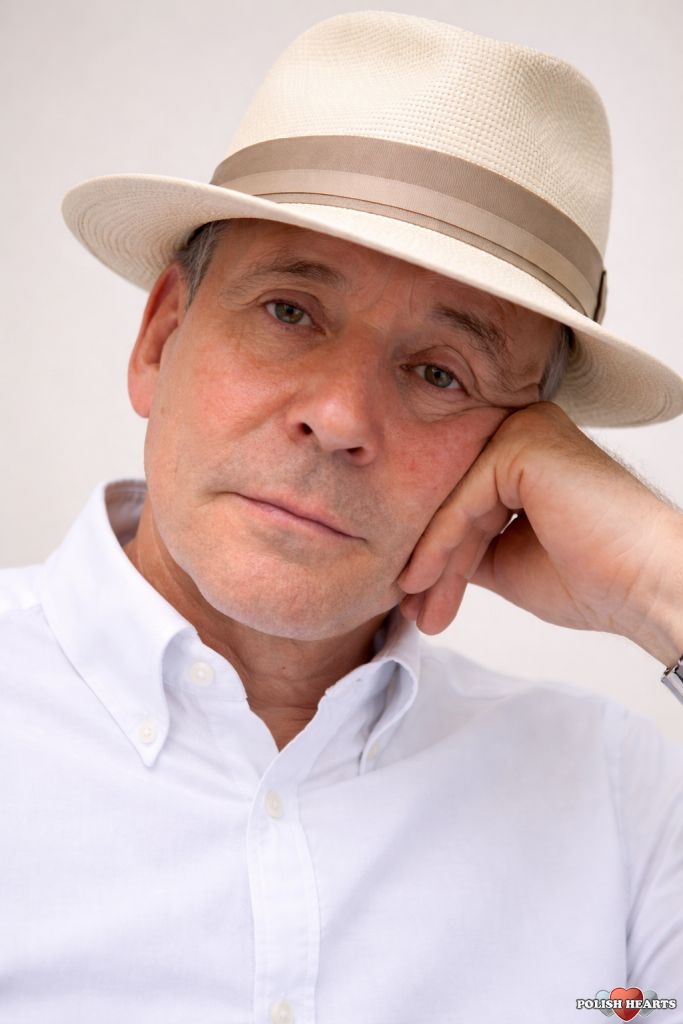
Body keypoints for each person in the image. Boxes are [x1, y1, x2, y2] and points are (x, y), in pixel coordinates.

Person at [2, 10, 682, 1022]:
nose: (339, 417)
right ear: (159, 339)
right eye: (288, 311)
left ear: (516, 454)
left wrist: (659, 581)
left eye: (440, 372)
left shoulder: (626, 798)